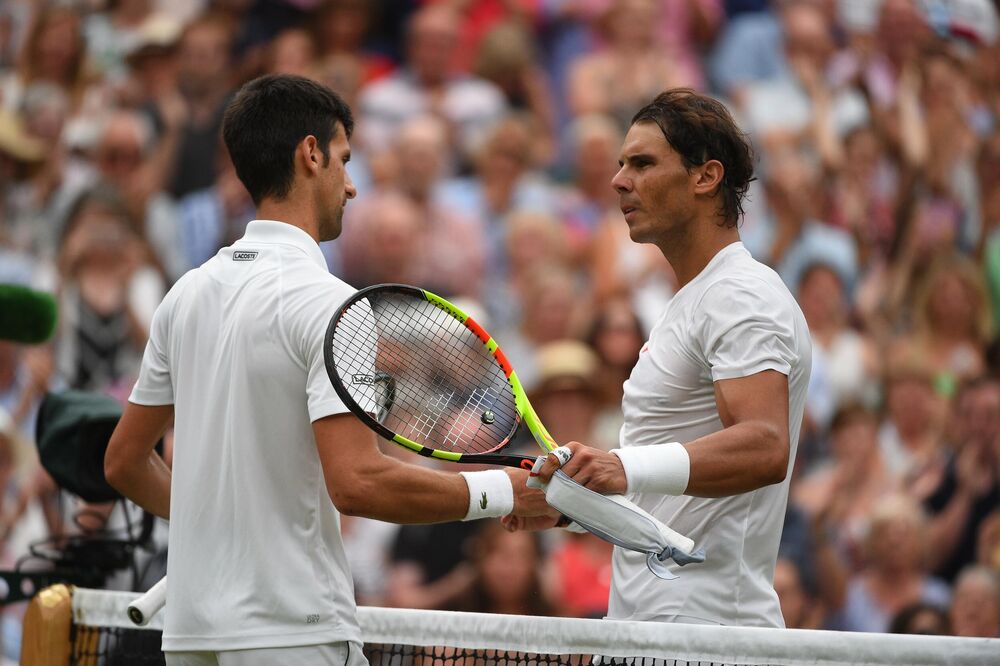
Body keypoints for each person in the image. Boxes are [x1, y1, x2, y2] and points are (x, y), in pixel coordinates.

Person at [103, 74, 549, 666]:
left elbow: (125, 462)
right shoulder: (337, 307)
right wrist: (506, 491)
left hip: (191, 637)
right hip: (293, 634)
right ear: (310, 155)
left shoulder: (184, 295)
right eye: (344, 159)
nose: (353, 185)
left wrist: (216, 520)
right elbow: (359, 481)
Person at [512, 89, 812, 628]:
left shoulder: (741, 294)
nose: (618, 180)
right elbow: (665, 509)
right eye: (622, 164)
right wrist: (574, 508)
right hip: (648, 627)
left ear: (705, 177)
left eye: (643, 163)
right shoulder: (692, 301)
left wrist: (619, 466)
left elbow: (765, 445)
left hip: (708, 633)